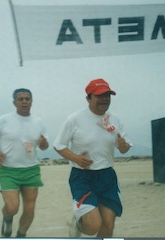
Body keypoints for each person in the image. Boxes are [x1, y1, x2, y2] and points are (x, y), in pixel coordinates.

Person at [53, 78, 132, 237]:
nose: (104, 99)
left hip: (107, 175)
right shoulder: (74, 119)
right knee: (92, 225)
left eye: (107, 95)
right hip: (83, 177)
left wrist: (124, 146)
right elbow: (59, 145)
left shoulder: (114, 119)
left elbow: (124, 146)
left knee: (108, 223)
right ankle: (79, 223)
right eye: (99, 95)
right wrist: (75, 158)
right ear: (88, 98)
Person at [0, 88, 49, 238]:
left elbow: (44, 146)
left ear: (32, 102)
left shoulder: (38, 121)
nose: (24, 101)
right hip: (8, 170)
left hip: (31, 170)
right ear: (14, 102)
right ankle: (7, 219)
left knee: (29, 210)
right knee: (12, 207)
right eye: (20, 99)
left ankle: (21, 235)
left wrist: (43, 143)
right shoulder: (4, 120)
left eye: (27, 99)